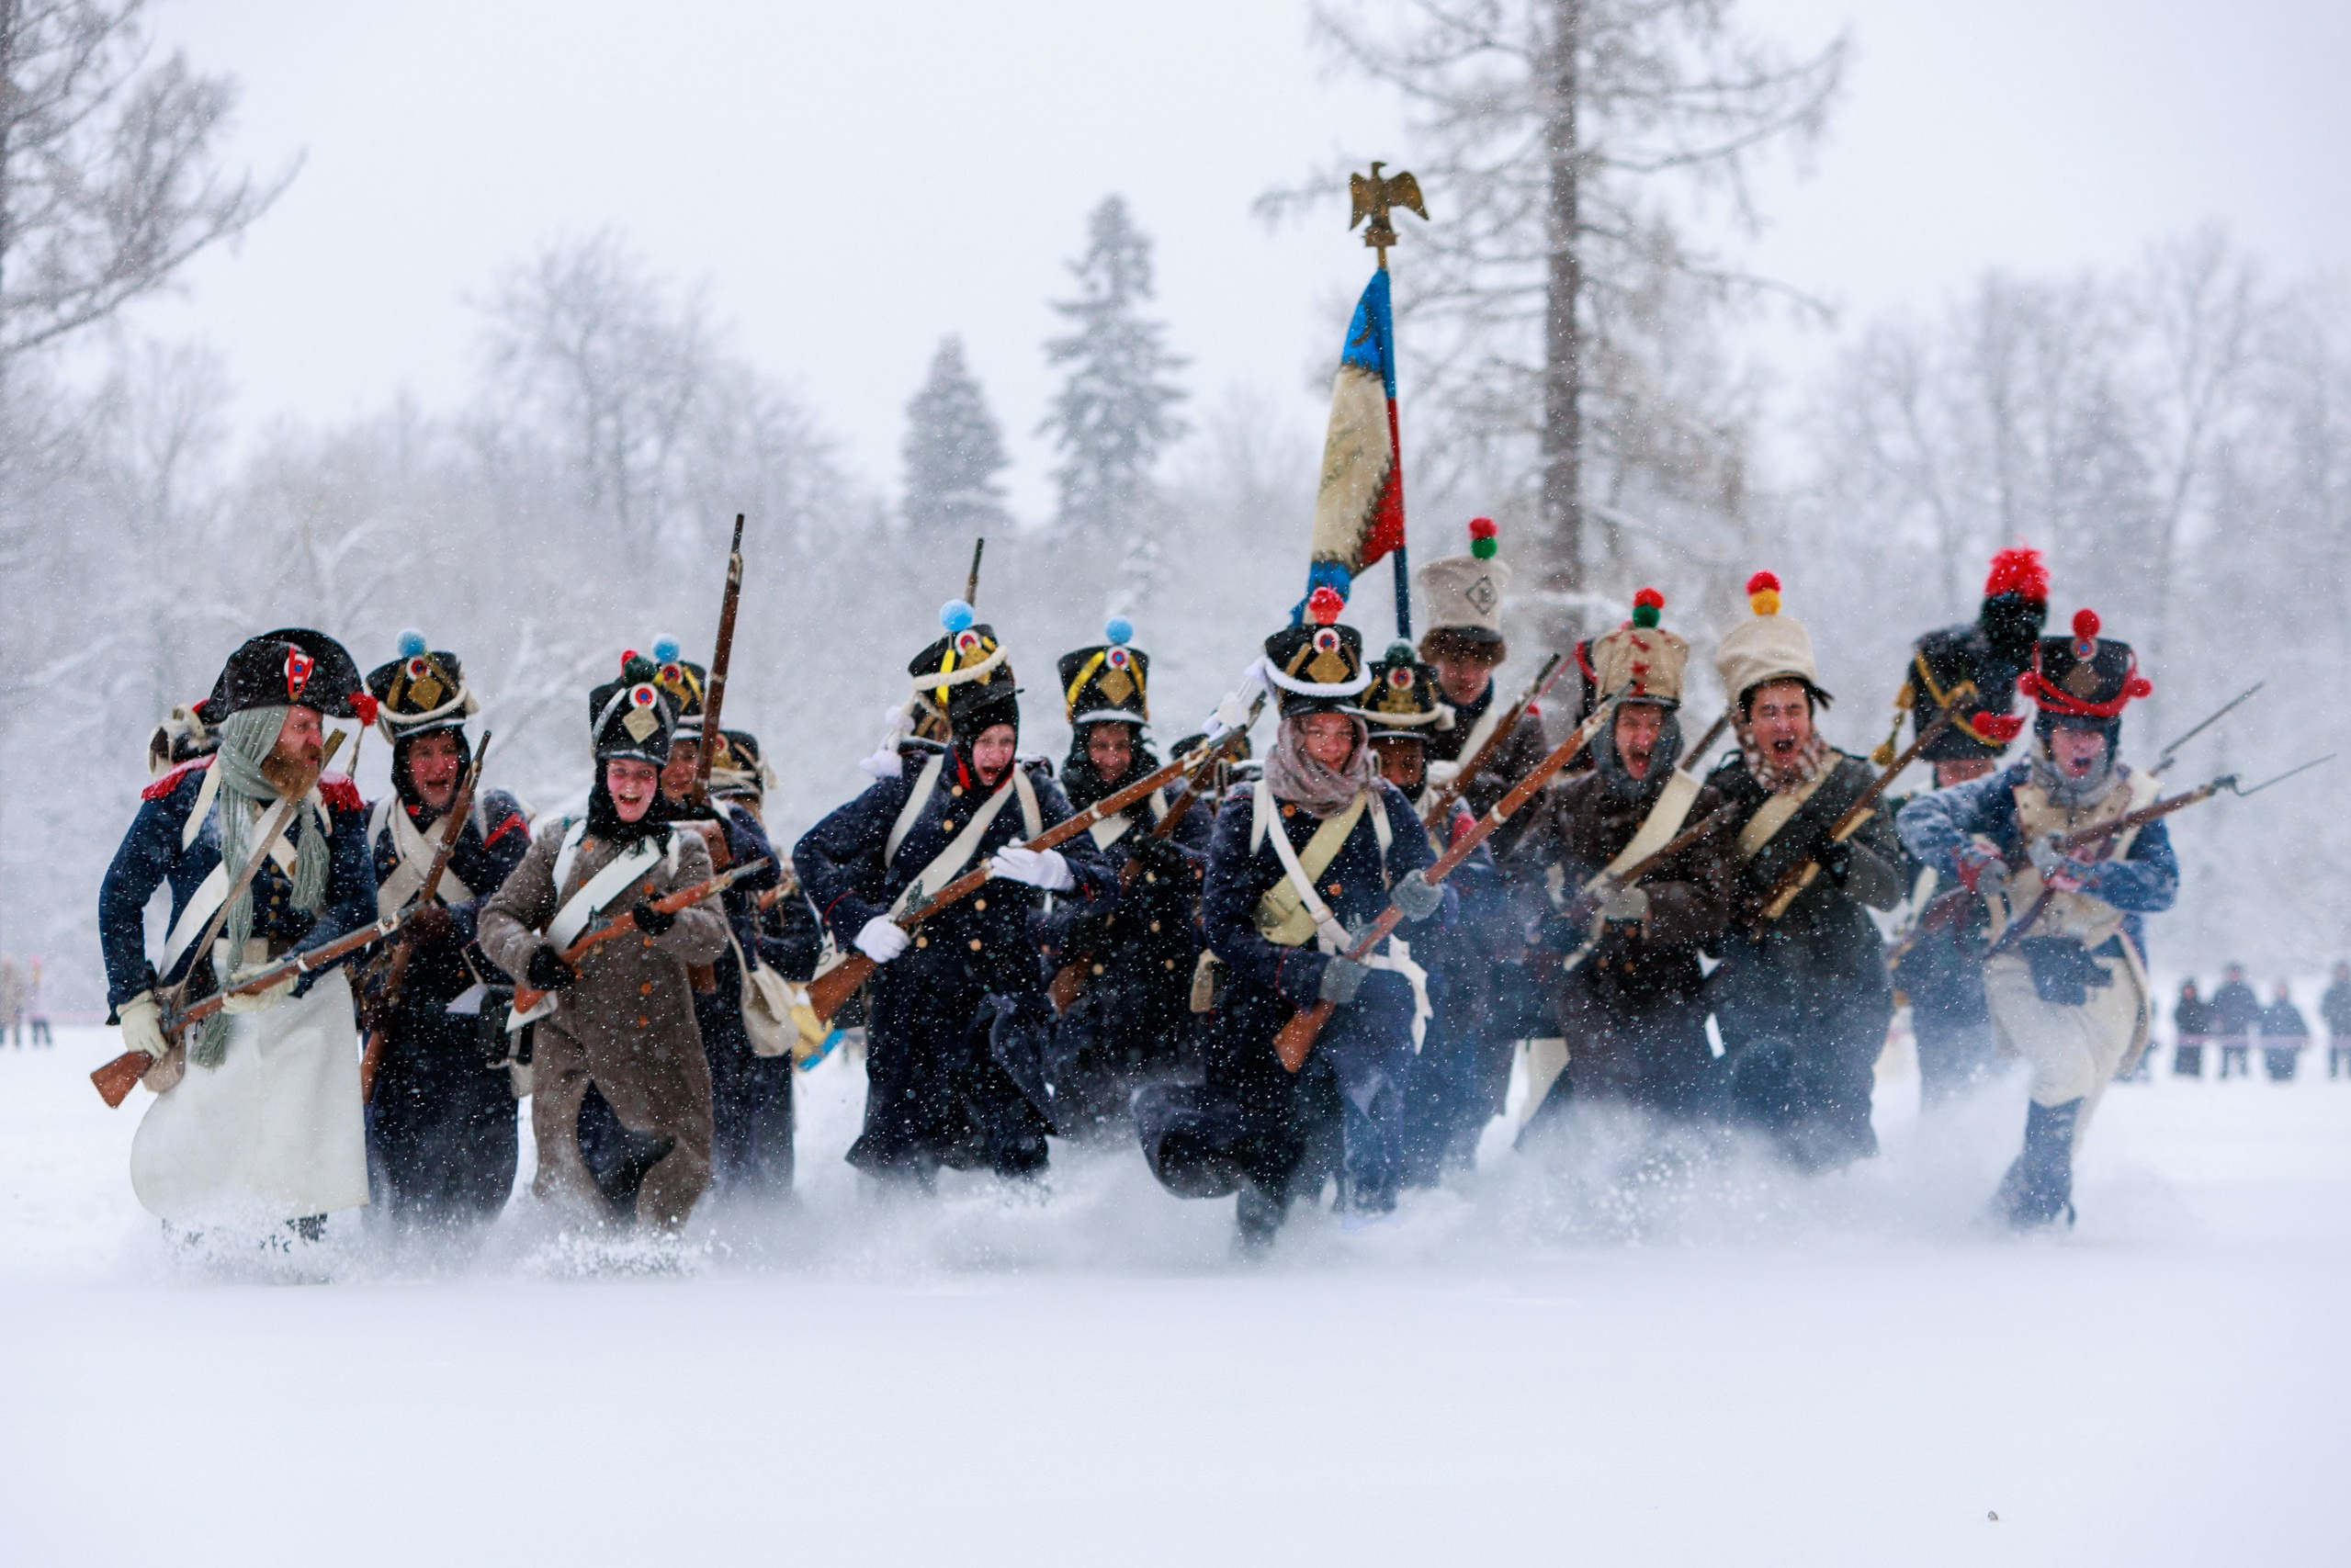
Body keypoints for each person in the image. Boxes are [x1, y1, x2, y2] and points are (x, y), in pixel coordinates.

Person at [1132, 588, 1446, 1245]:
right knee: (1270, 1162)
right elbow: (1222, 928)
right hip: (1263, 1005)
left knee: (1366, 1117)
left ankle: (1369, 1249)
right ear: (1290, 731)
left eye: (1342, 732)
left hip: (1364, 998)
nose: (1331, 747)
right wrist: (1305, 974)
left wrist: (1429, 902)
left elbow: (1433, 907)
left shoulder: (1384, 803)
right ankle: (1261, 1272)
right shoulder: (1247, 808)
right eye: (1315, 731)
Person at [793, 604, 1116, 1187]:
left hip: (1003, 997)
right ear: (961, 738)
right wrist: (859, 922)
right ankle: (895, 1237)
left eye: (1007, 740)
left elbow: (1105, 881)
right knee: (900, 1151)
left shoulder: (1037, 792)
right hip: (912, 997)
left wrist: (1057, 871)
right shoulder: (908, 787)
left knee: (1017, 1144)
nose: (997, 755)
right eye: (985, 740)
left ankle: (1026, 1232)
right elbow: (812, 851)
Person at [1897, 607, 2177, 1228]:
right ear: (2047, 730)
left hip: (2104, 973)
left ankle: (2017, 1213)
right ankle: (2037, 1214)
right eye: (2071, 730)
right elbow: (1917, 818)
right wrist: (1967, 857)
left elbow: (2163, 886)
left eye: (2095, 731)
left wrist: (2091, 877)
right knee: (2062, 1071)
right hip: (2017, 961)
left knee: (2073, 1114)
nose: (2083, 745)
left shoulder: (2137, 800)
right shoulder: (2005, 790)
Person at [97, 629, 379, 1238]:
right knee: (199, 1157)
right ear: (260, 726)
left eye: (317, 725)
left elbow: (358, 908)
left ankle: (299, 1261)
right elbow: (119, 896)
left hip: (309, 998)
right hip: (209, 998)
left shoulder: (336, 802)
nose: (315, 739)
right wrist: (132, 998)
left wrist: (295, 968)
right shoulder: (185, 795)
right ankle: (195, 1266)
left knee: (300, 1160)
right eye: (301, 725)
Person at [478, 655, 730, 1230]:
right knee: (580, 1202)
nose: (632, 787)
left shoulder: (684, 852)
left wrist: (669, 926)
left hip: (660, 1058)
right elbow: (497, 919)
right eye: (620, 772)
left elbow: (712, 938)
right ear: (601, 771)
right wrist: (532, 959)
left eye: (645, 774)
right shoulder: (559, 844)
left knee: (659, 1206)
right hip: (575, 1060)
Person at [1507, 589, 1735, 1138]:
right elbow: (1519, 877)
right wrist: (1547, 920)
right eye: (1631, 723)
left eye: (1654, 723)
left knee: (1690, 1126)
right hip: (1587, 983)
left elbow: (1715, 906)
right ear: (1608, 728)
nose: (1643, 737)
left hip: (1672, 988)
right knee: (1605, 1108)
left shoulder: (1699, 806)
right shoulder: (1569, 801)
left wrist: (1644, 904)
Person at [1703, 573, 1905, 1170]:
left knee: (1838, 1114)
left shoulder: (1852, 781)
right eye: (1768, 711)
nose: (1784, 724)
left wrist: (1844, 860)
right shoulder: (1720, 794)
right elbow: (1706, 895)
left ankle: (1846, 1215)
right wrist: (1729, 926)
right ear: (1745, 720)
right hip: (1756, 989)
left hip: (1846, 984)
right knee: (1760, 1118)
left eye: (1794, 708)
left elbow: (1890, 888)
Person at [357, 633, 533, 1229]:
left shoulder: (496, 815)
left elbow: (524, 904)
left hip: (477, 1034)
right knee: (393, 1196)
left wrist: (454, 921)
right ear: (402, 763)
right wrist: (364, 997)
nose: (438, 766)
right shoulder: (370, 829)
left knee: (481, 1191)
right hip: (399, 1038)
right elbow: (352, 930)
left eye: (447, 749)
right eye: (423, 753)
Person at [1885, 547, 2049, 1109]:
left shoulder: (2020, 817)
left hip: (2010, 986)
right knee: (1943, 1106)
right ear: (1934, 766)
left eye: (1976, 767)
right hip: (1937, 990)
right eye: (1953, 768)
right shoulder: (1904, 814)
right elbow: (1889, 891)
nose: (1964, 780)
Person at [1038, 618, 1211, 1134]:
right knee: (1087, 1127)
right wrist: (1072, 929)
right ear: (1081, 743)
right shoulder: (1055, 806)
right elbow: (1027, 906)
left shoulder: (1171, 799)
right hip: (1092, 994)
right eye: (1100, 745)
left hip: (1167, 987)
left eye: (1122, 744)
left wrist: (1173, 860)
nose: (1112, 758)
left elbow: (1215, 869)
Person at [643, 640, 790, 1198]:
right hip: (651, 986)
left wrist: (718, 834)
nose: (680, 769)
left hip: (720, 990)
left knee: (727, 1109)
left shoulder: (724, 815)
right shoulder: (629, 819)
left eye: (690, 755)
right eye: (669, 755)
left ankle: (733, 1210)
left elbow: (764, 866)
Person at [1356, 639, 1499, 1187]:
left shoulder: (1451, 806)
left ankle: (1432, 1188)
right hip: (1364, 970)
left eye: (1409, 761)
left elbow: (1483, 879)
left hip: (1442, 974)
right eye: (1385, 761)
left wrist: (1440, 891)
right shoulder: (1346, 806)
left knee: (1444, 1087)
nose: (1397, 774)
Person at [2210, 964, 2259, 1079]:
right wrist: (2219, 1021)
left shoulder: (2246, 991)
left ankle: (2244, 1078)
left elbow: (2254, 1010)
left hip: (2242, 1029)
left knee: (2243, 1056)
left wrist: (2245, 1019)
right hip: (2225, 1029)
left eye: (2236, 973)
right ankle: (2224, 1078)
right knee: (2224, 1057)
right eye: (2232, 973)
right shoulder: (2222, 991)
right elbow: (2214, 1009)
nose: (2234, 975)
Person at [2259, 983, 2309, 1082]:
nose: (2281, 993)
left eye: (2283, 990)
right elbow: (2263, 1029)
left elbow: (2301, 1028)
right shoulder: (2270, 1010)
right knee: (2273, 1079)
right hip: (2272, 1052)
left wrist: (2301, 1040)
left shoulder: (2292, 1010)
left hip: (2289, 1052)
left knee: (2288, 1079)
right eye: (2279, 990)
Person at [2172, 978, 2210, 1078]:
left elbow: (2204, 1020)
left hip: (2196, 1042)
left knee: (2195, 1067)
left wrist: (2198, 1029)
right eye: (2186, 990)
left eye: (2190, 990)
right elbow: (2178, 1020)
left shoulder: (2200, 1006)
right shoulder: (2181, 1006)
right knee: (2181, 1070)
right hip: (2183, 1040)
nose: (2188, 992)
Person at [2323, 963, 2351, 1079]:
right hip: (2335, 1028)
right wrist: (2332, 1018)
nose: (2342, 974)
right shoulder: (2331, 991)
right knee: (2333, 1051)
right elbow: (2324, 1009)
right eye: (2340, 971)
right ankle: (2333, 1074)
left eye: (2344, 971)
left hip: (2349, 1028)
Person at [22, 957, 50, 1046]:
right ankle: (36, 1046)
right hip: (33, 1008)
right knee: (34, 1029)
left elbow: (50, 991)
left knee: (45, 1028)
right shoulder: (28, 979)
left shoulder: (45, 978)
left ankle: (48, 1044)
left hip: (42, 1008)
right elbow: (25, 992)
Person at [0, 955, 22, 1046]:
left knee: (16, 1025)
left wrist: (19, 1002)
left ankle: (17, 1043)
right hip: (2, 1005)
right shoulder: (1, 974)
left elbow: (20, 990)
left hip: (14, 1004)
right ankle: (1, 1043)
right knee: (2, 1025)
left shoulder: (16, 974)